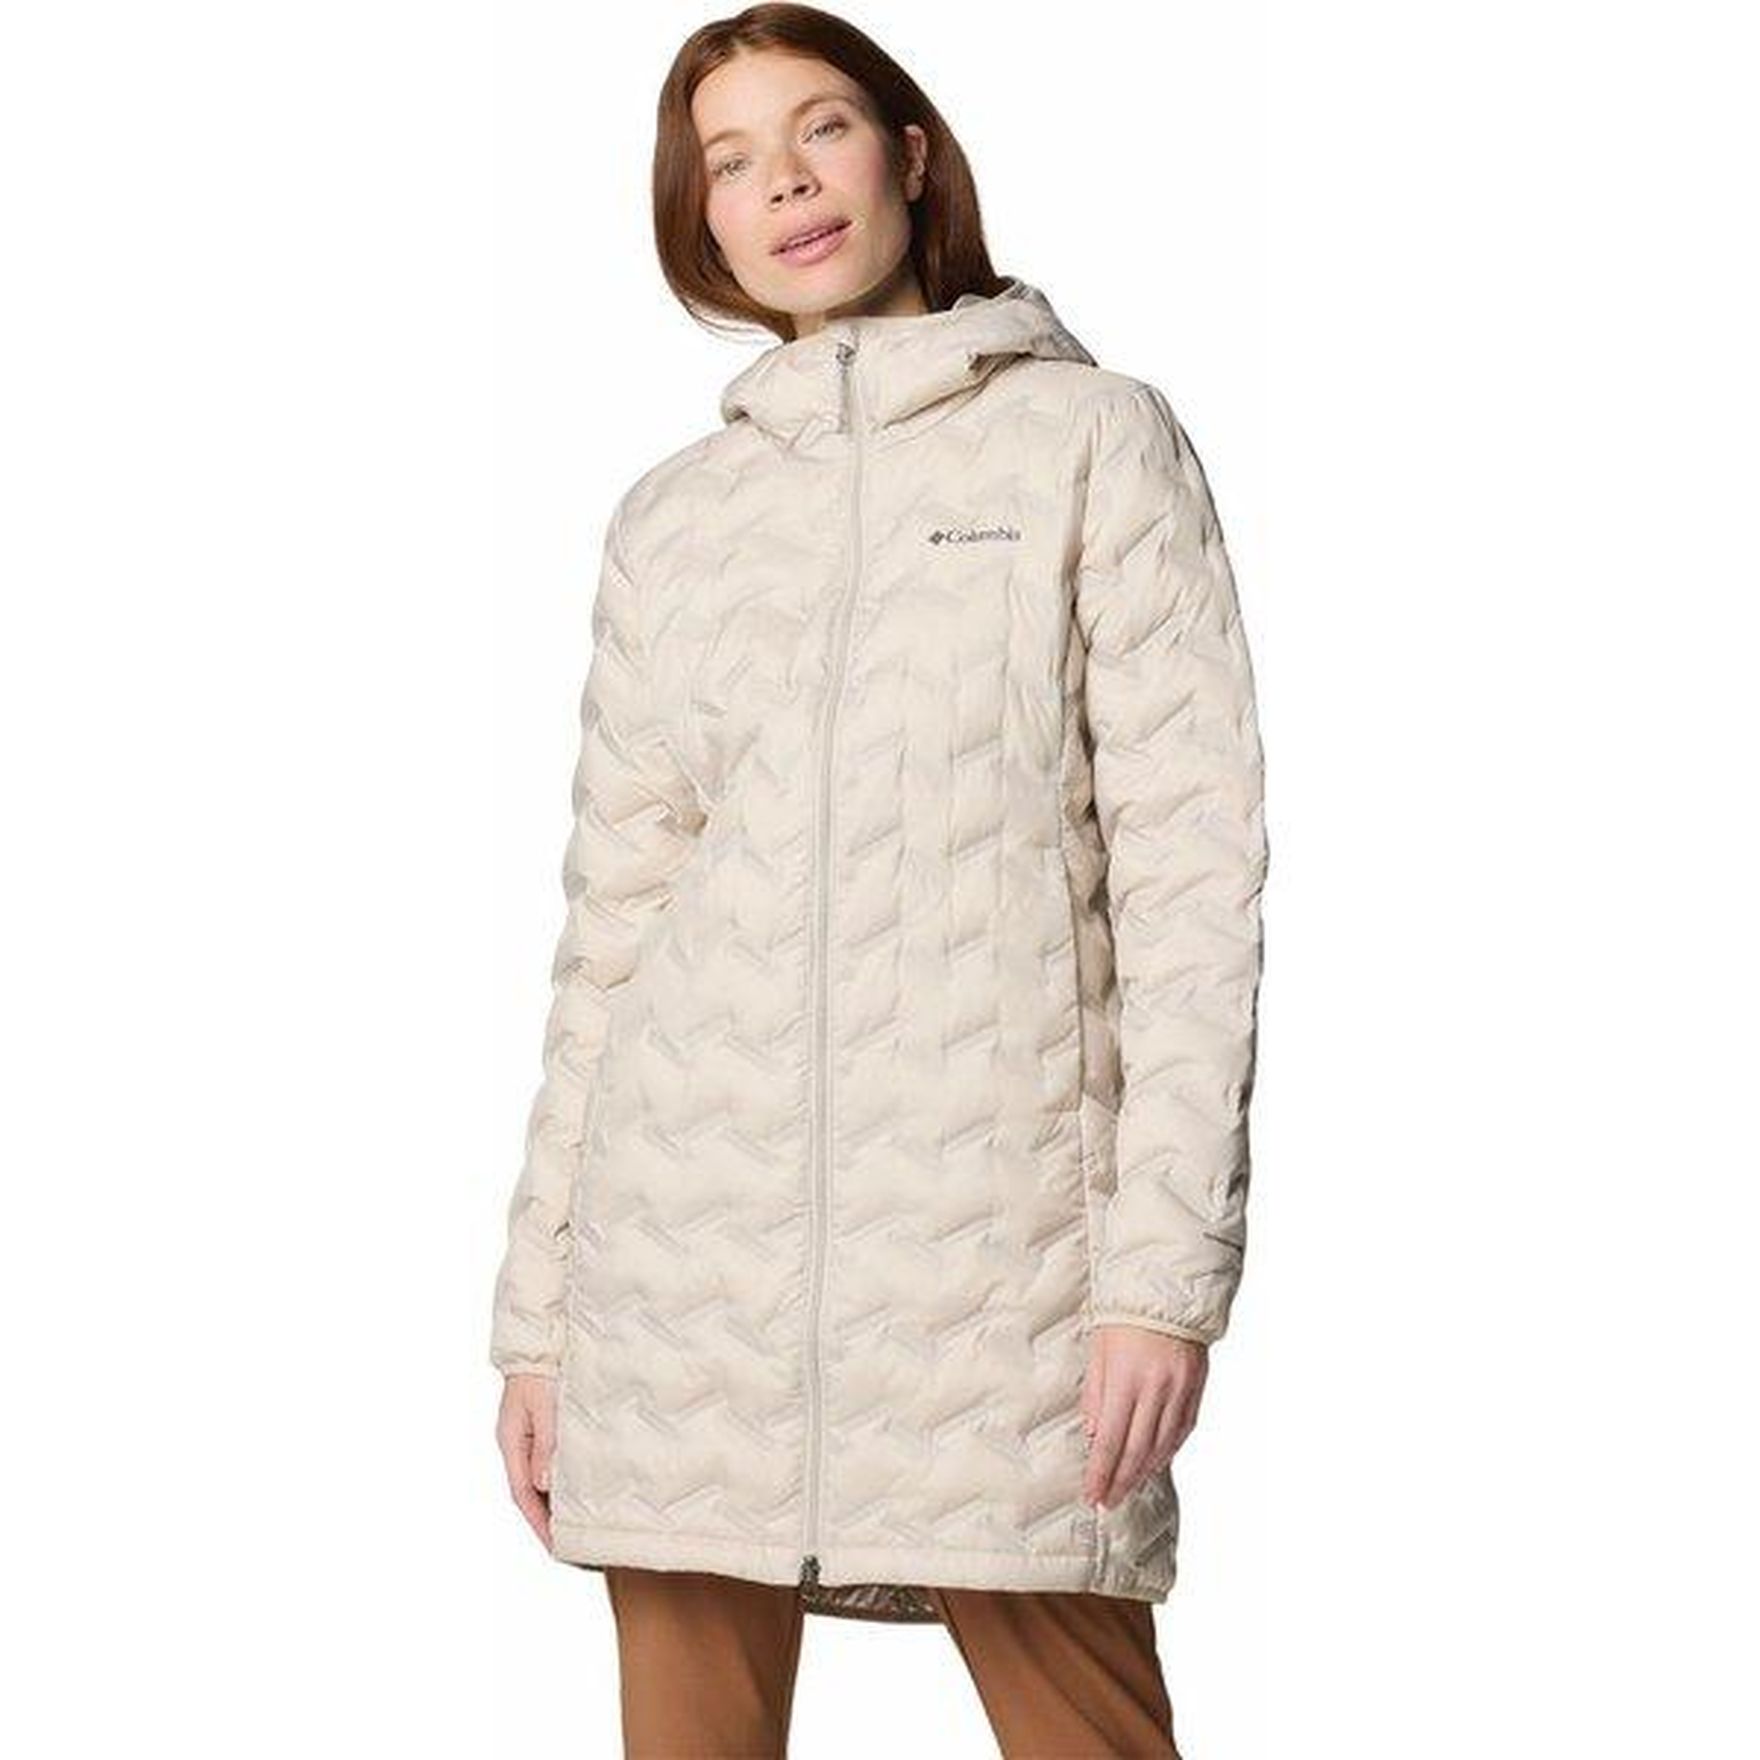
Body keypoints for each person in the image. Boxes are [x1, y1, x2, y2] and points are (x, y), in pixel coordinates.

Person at [490, 6, 1269, 1754]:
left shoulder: (1092, 441)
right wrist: (539, 1326)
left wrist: (1161, 1285)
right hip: (678, 1273)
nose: (785, 184)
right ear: (702, 221)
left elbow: (1192, 879)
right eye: (732, 162)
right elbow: (613, 933)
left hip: (1009, 1262)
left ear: (911, 155)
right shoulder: (674, 518)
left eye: (821, 128)